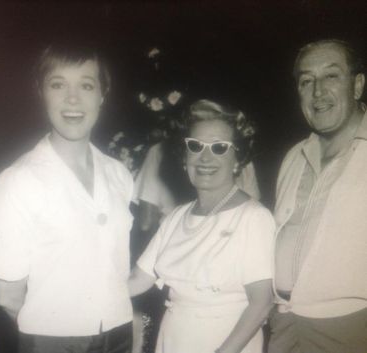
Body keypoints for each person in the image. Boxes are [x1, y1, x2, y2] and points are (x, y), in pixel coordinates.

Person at [0, 44, 134, 353]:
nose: (72, 98)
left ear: (102, 95)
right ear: (41, 93)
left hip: (119, 333)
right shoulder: (18, 181)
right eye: (58, 84)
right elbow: (8, 296)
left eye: (86, 85)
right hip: (52, 341)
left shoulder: (119, 174)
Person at [128, 99, 275, 353]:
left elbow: (261, 303)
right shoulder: (176, 217)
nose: (205, 157)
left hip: (227, 345)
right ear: (185, 157)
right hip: (173, 340)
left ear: (237, 158)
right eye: (195, 146)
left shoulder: (253, 217)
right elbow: (138, 280)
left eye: (219, 147)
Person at [268, 39, 367, 353]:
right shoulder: (293, 157)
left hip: (349, 329)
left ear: (358, 85)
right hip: (283, 325)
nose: (318, 92)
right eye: (306, 81)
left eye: (331, 76)